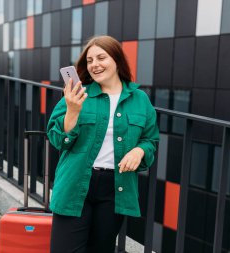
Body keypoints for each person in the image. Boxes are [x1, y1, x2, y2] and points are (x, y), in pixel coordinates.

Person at [47, 35, 159, 253]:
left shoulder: (140, 99)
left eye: (101, 57)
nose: (95, 65)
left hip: (115, 188)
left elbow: (150, 140)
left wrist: (139, 150)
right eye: (90, 61)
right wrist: (72, 111)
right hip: (75, 183)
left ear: (116, 59)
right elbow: (57, 139)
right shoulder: (78, 94)